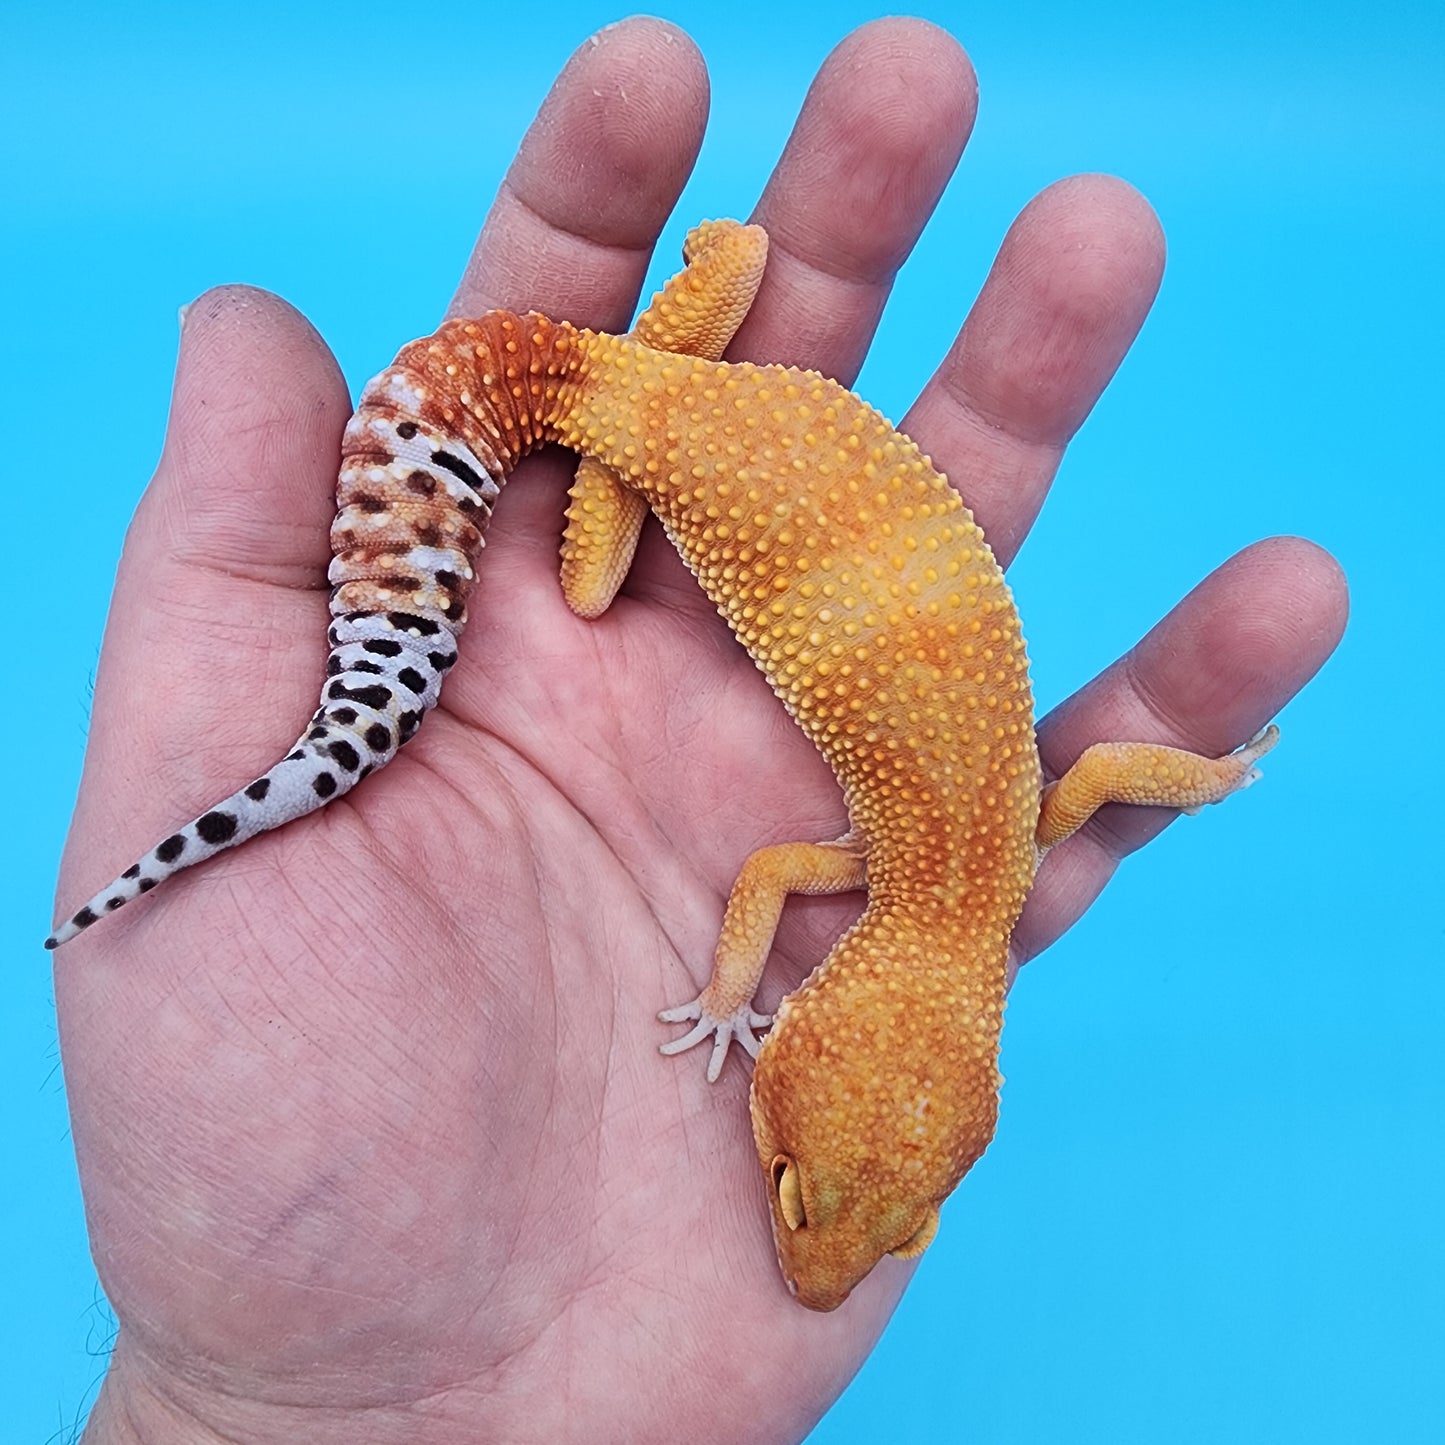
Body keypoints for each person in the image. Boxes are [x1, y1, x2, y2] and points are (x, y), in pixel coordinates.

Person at [54, 16, 1346, 1443]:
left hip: (686, 378)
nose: (817, 1249)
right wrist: (730, 997)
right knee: (591, 585)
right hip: (634, 425)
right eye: (828, 1201)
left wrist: (1203, 774)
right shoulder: (912, 877)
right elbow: (778, 878)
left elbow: (1105, 773)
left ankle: (638, 357)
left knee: (700, 322)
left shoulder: (982, 861)